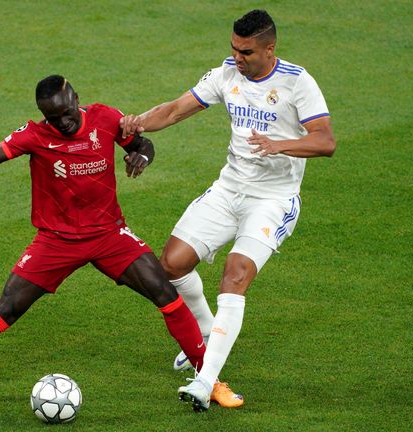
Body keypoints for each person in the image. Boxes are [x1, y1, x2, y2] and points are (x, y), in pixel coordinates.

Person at [0, 75, 206, 411]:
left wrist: (142, 157)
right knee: (6, 308)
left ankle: (209, 380)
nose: (62, 123)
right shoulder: (34, 135)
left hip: (108, 235)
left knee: (165, 293)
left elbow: (141, 144)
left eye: (66, 113)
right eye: (53, 118)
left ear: (76, 98)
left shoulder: (106, 118)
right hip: (56, 242)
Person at [120, 9, 336, 412]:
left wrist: (280, 145)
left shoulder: (296, 82)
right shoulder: (226, 74)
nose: (238, 57)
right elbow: (175, 109)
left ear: (269, 49)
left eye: (247, 51)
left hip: (273, 200)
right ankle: (204, 339)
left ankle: (205, 381)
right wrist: (137, 124)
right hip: (229, 190)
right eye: (234, 49)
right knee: (171, 265)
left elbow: (325, 141)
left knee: (234, 277)